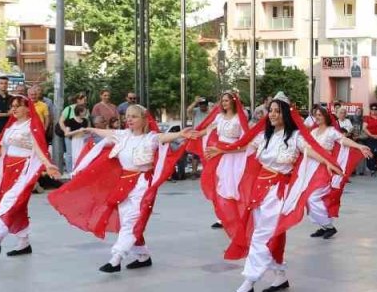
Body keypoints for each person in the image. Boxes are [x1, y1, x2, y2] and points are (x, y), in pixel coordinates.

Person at [207, 95, 343, 292]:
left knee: (260, 235)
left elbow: (312, 151)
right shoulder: (263, 136)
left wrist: (329, 162)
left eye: (277, 111)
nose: (272, 114)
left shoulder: (296, 137)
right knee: (271, 234)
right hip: (260, 190)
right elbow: (242, 146)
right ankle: (279, 275)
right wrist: (221, 149)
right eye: (270, 110)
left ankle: (248, 281)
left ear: (286, 114)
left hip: (278, 190)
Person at [49, 105, 188, 273]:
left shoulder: (151, 138)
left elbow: (166, 137)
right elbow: (106, 133)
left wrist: (180, 134)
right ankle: (143, 256)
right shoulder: (123, 136)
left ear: (144, 119)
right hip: (124, 183)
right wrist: (90, 128)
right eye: (127, 116)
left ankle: (116, 258)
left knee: (131, 220)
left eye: (134, 116)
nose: (129, 119)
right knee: (127, 221)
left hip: (142, 184)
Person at [0, 95, 61, 254]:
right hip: (8, 169)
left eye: (17, 106)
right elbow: (1, 150)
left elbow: (39, 148)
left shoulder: (32, 126)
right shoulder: (11, 126)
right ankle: (24, 242)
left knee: (9, 201)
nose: (14, 109)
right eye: (12, 106)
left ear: (27, 108)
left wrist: (48, 165)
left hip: (24, 169)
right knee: (17, 205)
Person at [306, 105, 372, 239]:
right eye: (315, 115)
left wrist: (359, 146)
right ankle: (323, 226)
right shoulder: (313, 132)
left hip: (325, 167)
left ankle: (329, 226)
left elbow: (344, 140)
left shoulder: (331, 131)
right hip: (312, 166)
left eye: (319, 115)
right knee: (308, 197)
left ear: (325, 117)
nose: (317, 117)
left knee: (313, 197)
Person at [186, 93, 249, 230]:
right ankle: (222, 217)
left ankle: (238, 216)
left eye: (226, 100)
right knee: (218, 185)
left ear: (233, 102)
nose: (224, 103)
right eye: (222, 101)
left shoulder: (240, 118)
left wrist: (225, 150)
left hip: (233, 156)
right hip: (218, 155)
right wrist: (195, 134)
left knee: (233, 187)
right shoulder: (219, 117)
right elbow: (208, 129)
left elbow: (245, 142)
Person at [62, 105, 90, 173]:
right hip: (75, 141)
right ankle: (75, 173)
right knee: (76, 157)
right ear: (80, 112)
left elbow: (88, 131)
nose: (86, 113)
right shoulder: (71, 121)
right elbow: (66, 133)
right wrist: (78, 131)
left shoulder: (85, 121)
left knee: (84, 157)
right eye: (84, 111)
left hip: (84, 141)